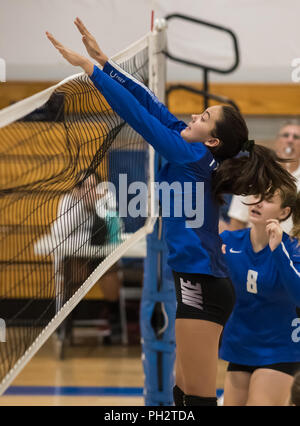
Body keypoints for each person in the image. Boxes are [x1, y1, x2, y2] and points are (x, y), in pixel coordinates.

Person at [46, 18, 296, 406]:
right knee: (182, 390)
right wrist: (107, 64)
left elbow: (139, 118)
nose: (195, 116)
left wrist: (91, 72)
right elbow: (152, 105)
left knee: (196, 397)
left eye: (203, 118)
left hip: (203, 284)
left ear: (212, 139)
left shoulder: (191, 155)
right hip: (194, 280)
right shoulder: (192, 145)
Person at [219, 187, 300, 406]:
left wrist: (278, 251)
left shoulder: (293, 249)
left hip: (281, 350)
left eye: (268, 200)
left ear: (284, 213)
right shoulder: (229, 241)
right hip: (240, 346)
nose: (258, 203)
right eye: (256, 197)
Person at [227, 121, 300, 232]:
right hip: (253, 246)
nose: (290, 140)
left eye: (296, 137)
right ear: (276, 142)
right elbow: (237, 221)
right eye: (285, 135)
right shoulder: (254, 173)